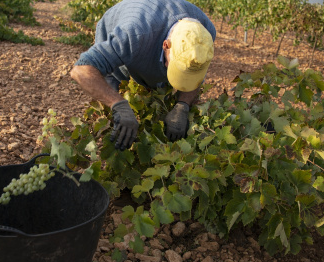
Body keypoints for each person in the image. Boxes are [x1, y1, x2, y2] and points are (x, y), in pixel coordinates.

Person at [70, 0, 216, 150]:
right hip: (128, 38)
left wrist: (182, 106)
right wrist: (118, 104)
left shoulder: (205, 35)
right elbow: (81, 70)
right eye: (175, 67)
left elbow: (194, 73)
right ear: (166, 45)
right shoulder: (133, 34)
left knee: (157, 99)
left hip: (152, 40)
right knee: (116, 108)